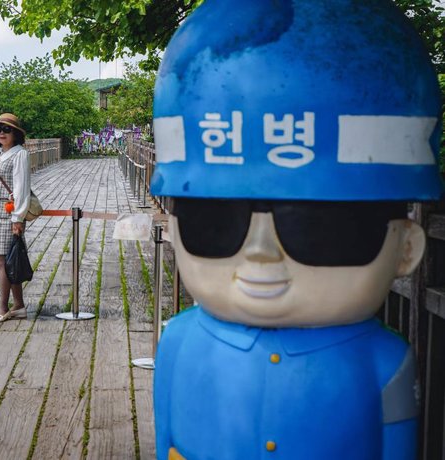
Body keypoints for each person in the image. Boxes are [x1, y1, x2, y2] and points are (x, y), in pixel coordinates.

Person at [150, 1, 441, 459]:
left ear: (406, 247)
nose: (262, 253)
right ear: (173, 229)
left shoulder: (382, 363)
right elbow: (166, 436)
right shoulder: (177, 342)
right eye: (216, 223)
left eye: (319, 227)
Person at [0, 113, 31, 323]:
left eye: (7, 129)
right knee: (9, 259)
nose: (2, 133)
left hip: (9, 213)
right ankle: (18, 305)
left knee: (2, 261)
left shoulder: (20, 154)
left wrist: (18, 217)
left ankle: (3, 307)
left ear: (16, 133)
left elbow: (22, 187)